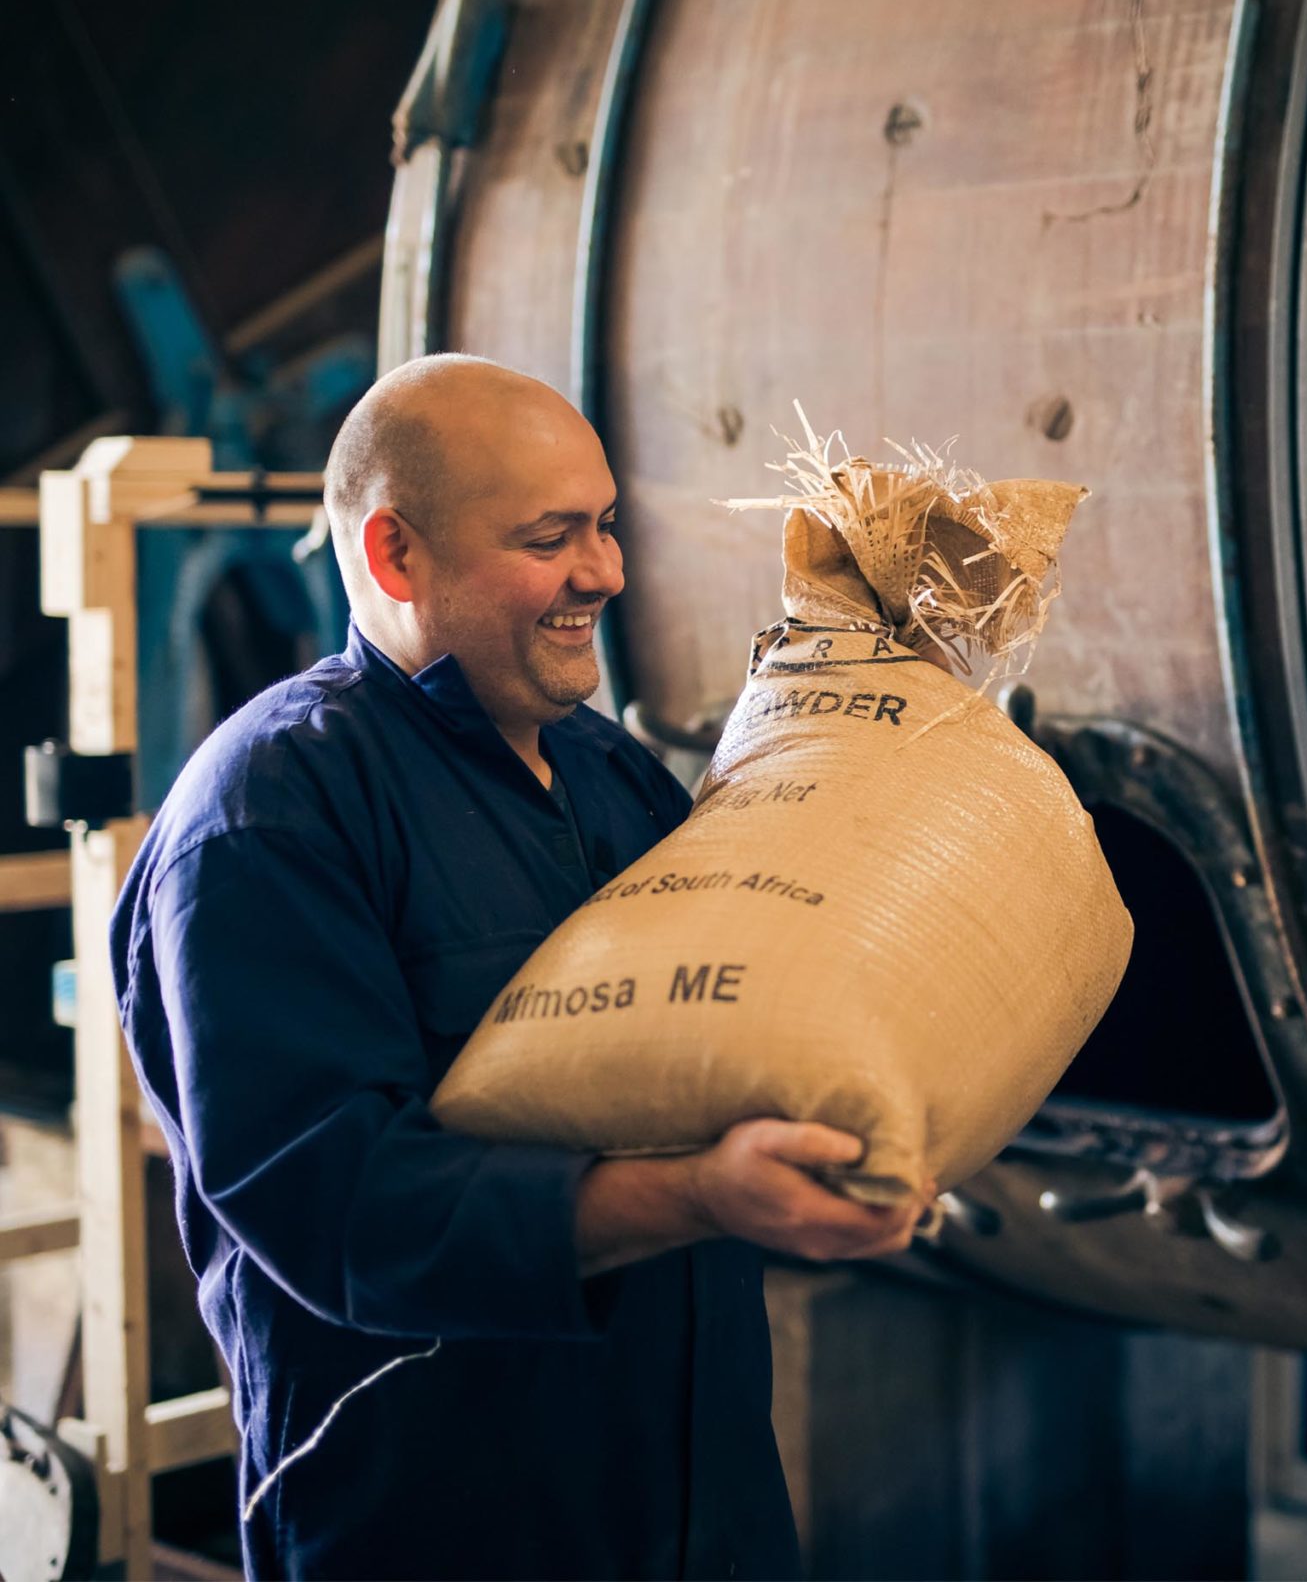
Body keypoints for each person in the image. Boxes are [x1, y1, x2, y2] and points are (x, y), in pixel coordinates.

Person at [111, 355, 931, 1580]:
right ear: (395, 556)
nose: (602, 571)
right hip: (448, 1521)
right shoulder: (270, 816)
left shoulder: (612, 776)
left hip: (702, 1507)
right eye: (552, 537)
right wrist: (704, 1196)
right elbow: (347, 1209)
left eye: (604, 526)